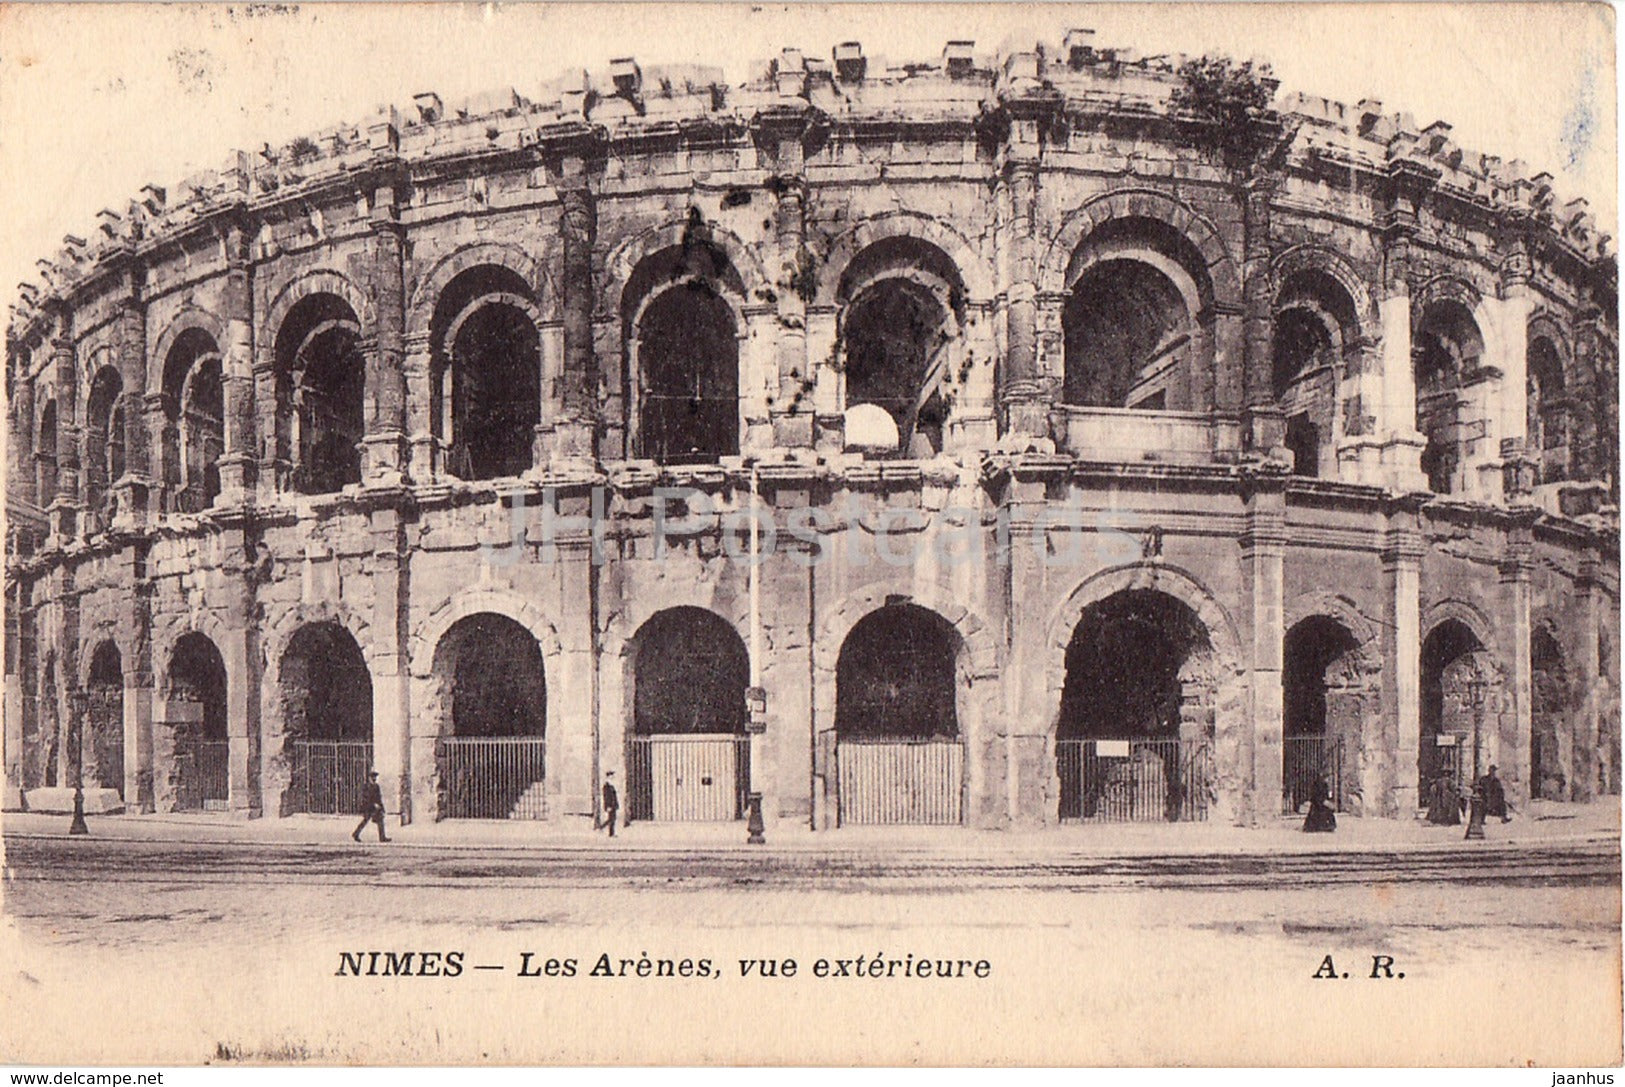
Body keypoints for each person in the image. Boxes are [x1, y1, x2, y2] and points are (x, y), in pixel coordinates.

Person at [352, 770, 390, 842]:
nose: (374, 779)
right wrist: (373, 804)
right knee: (365, 821)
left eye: (375, 777)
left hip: (375, 808)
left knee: (380, 821)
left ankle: (382, 837)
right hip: (368, 807)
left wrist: (381, 807)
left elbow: (379, 798)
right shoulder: (366, 786)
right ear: (369, 778)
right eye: (372, 777)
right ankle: (356, 834)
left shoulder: (376, 786)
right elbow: (365, 798)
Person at [600, 771, 619, 838]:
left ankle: (611, 833)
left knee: (612, 819)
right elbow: (606, 797)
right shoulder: (606, 786)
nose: (613, 777)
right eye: (611, 776)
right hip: (610, 805)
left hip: (613, 805)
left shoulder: (611, 785)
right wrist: (608, 806)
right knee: (611, 819)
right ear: (608, 777)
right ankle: (602, 828)